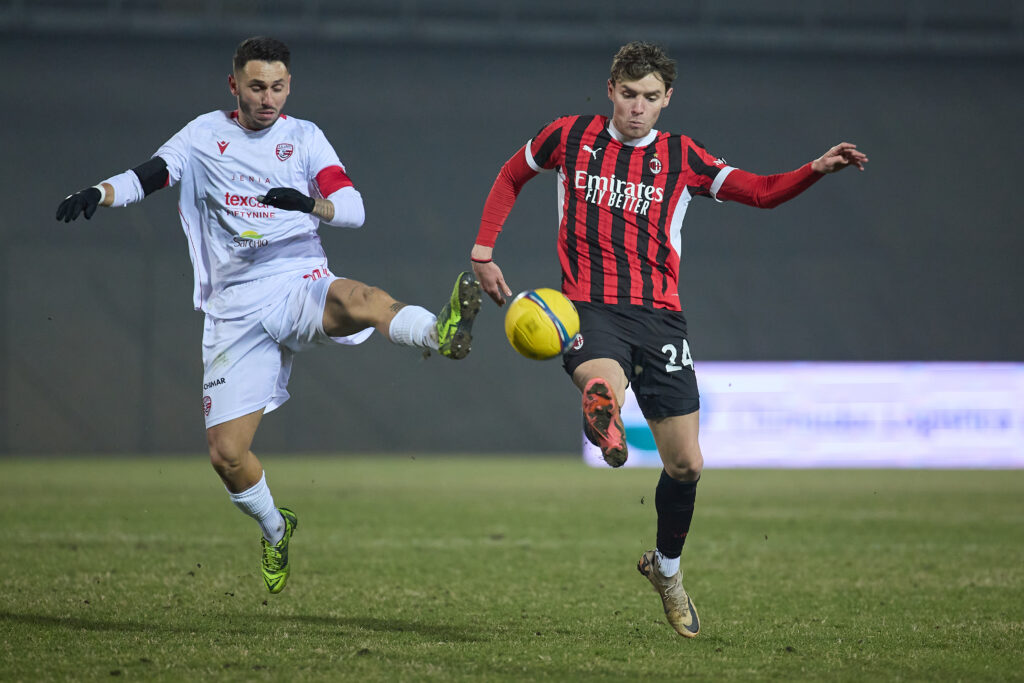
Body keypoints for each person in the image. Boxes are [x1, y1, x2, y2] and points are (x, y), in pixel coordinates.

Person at [56, 36, 482, 595]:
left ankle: (439, 331)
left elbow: (352, 209)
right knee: (227, 455)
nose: (268, 98)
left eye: (278, 87)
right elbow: (153, 174)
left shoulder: (304, 138)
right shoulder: (205, 135)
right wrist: (99, 191)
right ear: (234, 85)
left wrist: (310, 204)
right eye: (257, 87)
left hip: (294, 280)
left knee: (359, 298)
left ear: (289, 87)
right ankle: (276, 528)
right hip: (232, 309)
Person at [469, 41, 868, 637]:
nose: (637, 108)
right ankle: (602, 408)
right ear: (610, 89)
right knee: (600, 375)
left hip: (661, 320)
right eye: (628, 95)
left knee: (685, 464)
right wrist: (483, 249)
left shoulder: (683, 157)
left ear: (667, 100)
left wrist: (814, 168)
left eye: (650, 98)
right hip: (586, 306)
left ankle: (666, 569)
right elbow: (511, 174)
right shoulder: (569, 137)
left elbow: (758, 192)